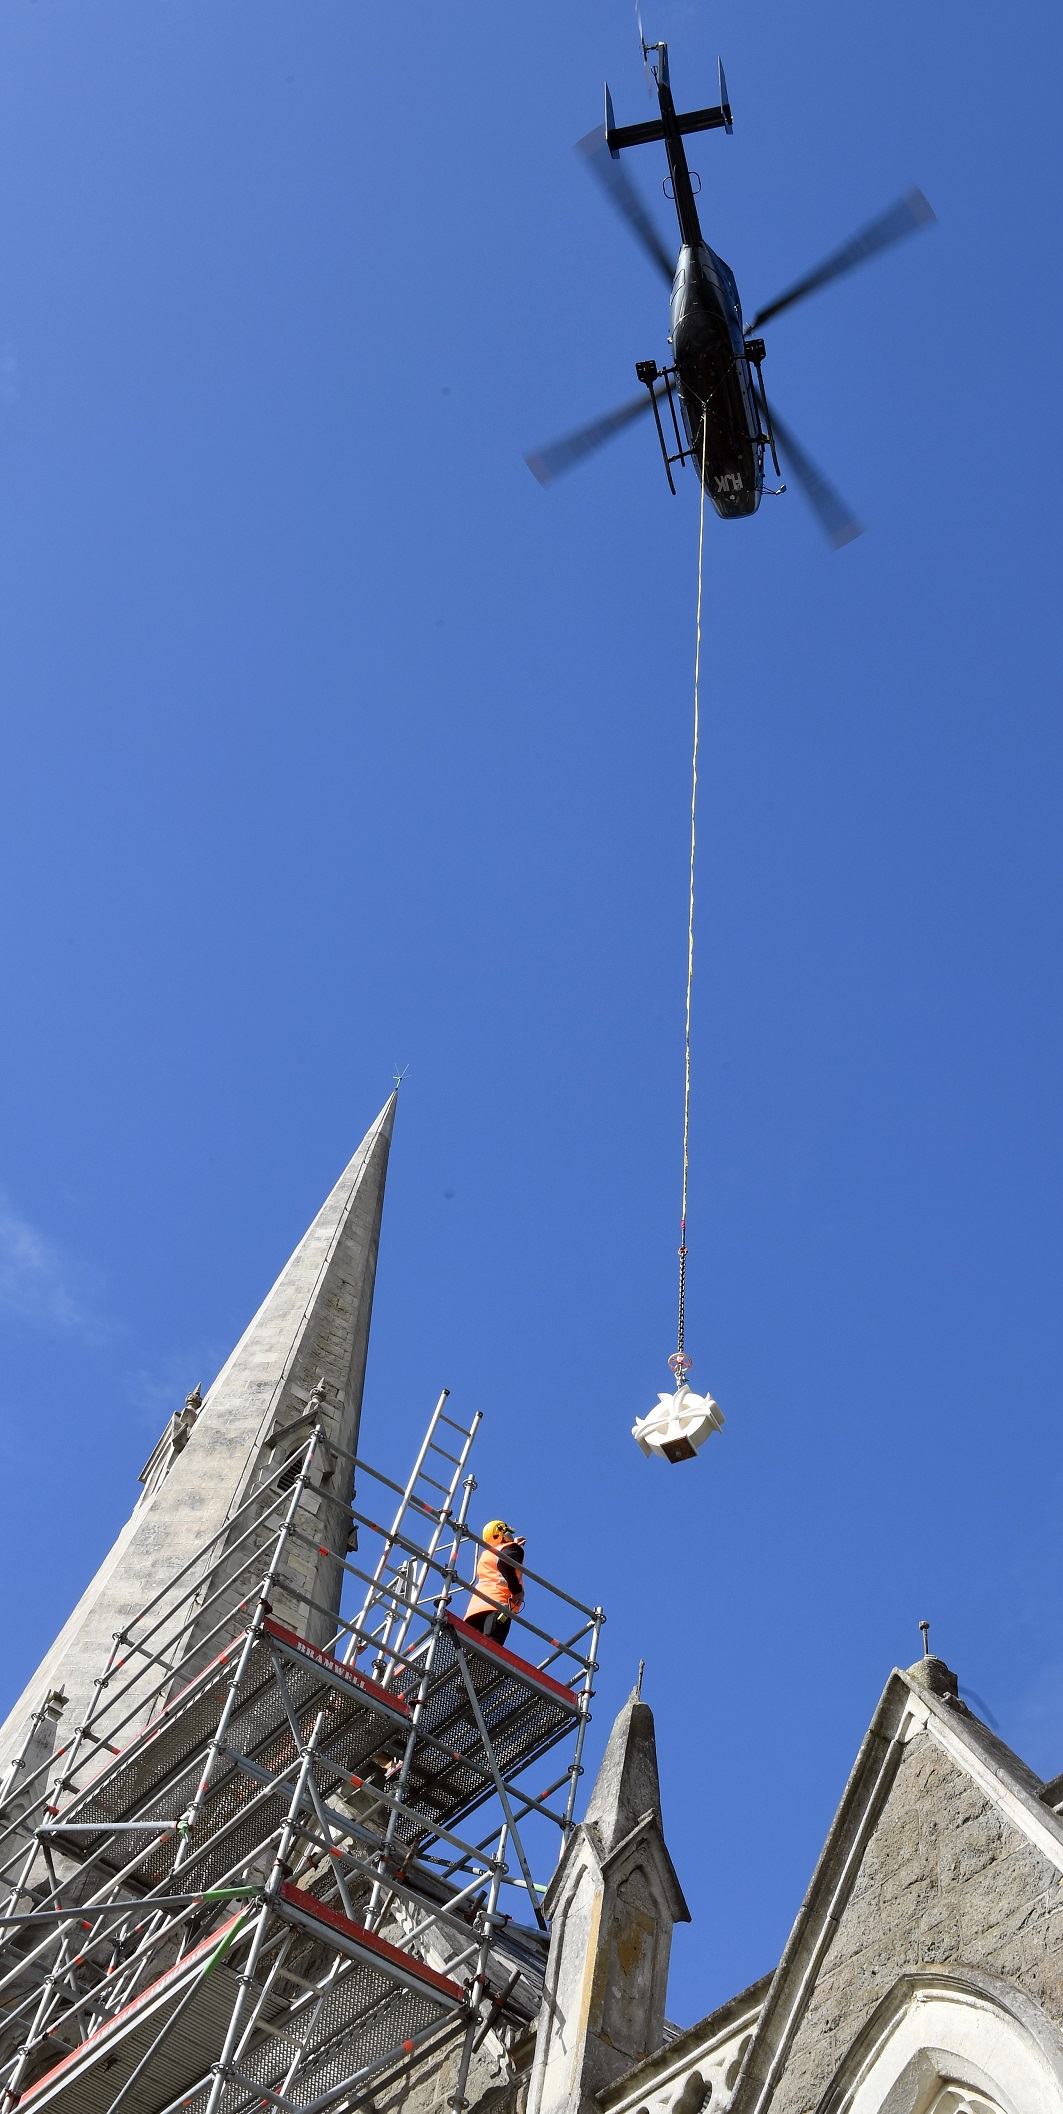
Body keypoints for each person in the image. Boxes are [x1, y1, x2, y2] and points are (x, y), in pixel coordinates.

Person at [464, 1519, 525, 1647]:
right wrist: (517, 1591)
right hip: (497, 1606)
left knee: (470, 1652)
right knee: (490, 1650)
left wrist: (513, 1545)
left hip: (474, 1611)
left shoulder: (487, 1554)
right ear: (501, 1533)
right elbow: (505, 1564)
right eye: (508, 1532)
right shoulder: (511, 1548)